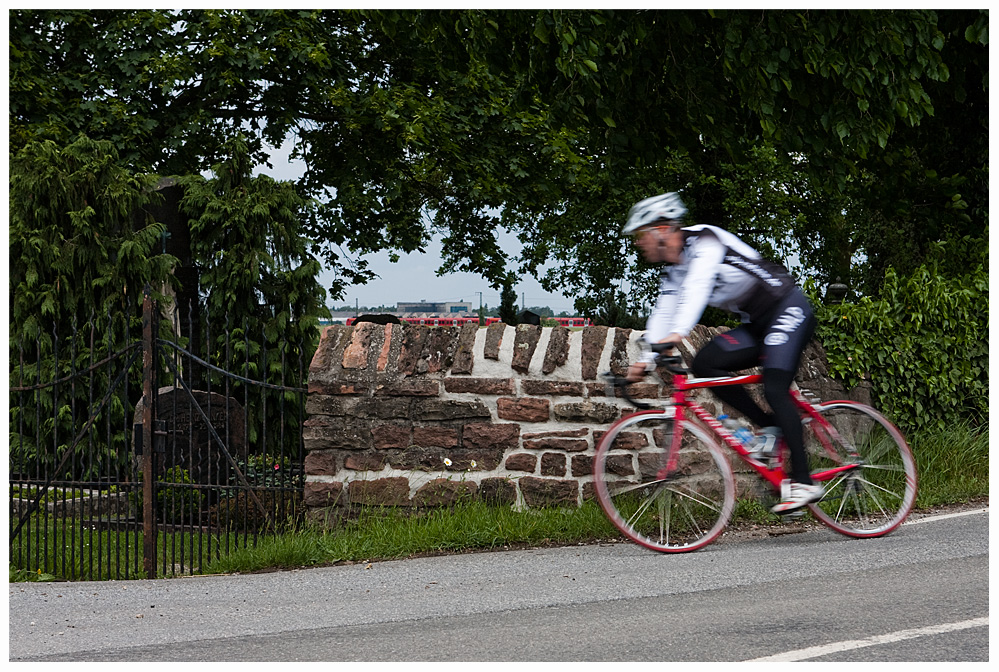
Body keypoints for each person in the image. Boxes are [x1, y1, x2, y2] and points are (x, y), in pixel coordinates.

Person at [622, 192, 821, 514]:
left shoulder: (705, 240)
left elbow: (696, 291)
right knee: (706, 364)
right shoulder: (673, 270)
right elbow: (664, 311)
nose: (637, 243)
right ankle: (771, 427)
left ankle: (803, 482)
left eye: (640, 234)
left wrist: (676, 335)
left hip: (788, 308)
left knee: (774, 386)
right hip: (757, 323)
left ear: (661, 229)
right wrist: (644, 360)